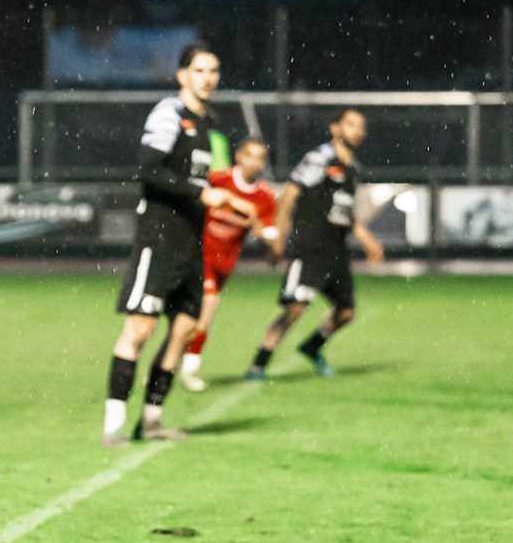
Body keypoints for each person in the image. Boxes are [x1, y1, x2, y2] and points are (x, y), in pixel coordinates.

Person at [103, 42, 232, 444]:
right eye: (199, 71)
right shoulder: (168, 114)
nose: (207, 78)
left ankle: (153, 421)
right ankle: (113, 426)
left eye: (213, 71)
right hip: (158, 238)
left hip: (190, 241)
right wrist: (201, 193)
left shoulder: (207, 123)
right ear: (182, 76)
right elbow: (148, 170)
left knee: (184, 329)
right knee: (140, 329)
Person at [244, 109, 383, 380]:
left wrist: (366, 238)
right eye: (351, 125)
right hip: (310, 248)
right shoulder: (320, 159)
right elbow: (288, 195)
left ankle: (312, 347)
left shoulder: (353, 168)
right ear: (335, 128)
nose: (357, 131)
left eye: (361, 127)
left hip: (336, 251)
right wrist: (279, 238)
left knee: (346, 312)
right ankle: (259, 363)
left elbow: (344, 211)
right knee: (294, 308)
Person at [180, 136, 280, 392]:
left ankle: (166, 367)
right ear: (239, 156)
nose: (254, 163)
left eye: (260, 158)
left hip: (225, 264)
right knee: (207, 306)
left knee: (190, 320)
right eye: (250, 156)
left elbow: (267, 241)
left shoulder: (264, 198)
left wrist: (260, 230)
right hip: (197, 255)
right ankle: (189, 369)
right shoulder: (217, 179)